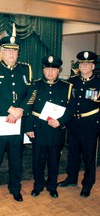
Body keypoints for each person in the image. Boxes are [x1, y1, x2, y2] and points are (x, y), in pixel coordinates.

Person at [0, 33, 34, 203]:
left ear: (18, 53)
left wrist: (20, 111)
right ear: (1, 51)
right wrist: (10, 109)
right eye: (7, 50)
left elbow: (31, 93)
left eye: (15, 51)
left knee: (16, 159)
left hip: (17, 122)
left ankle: (15, 188)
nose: (11, 54)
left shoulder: (25, 69)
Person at [25, 55, 73, 198]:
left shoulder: (67, 87)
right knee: (37, 160)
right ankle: (38, 185)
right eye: (47, 69)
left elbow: (71, 109)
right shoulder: (35, 85)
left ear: (58, 71)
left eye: (54, 69)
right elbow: (28, 107)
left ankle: (52, 186)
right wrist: (28, 128)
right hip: (38, 129)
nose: (50, 72)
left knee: (54, 160)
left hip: (56, 130)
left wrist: (61, 121)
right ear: (43, 70)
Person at [58, 51, 100, 197]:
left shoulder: (98, 83)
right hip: (73, 123)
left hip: (90, 124)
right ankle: (71, 178)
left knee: (89, 155)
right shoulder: (73, 81)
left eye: (87, 63)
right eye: (82, 63)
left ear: (93, 66)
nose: (84, 66)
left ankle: (87, 184)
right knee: (73, 152)